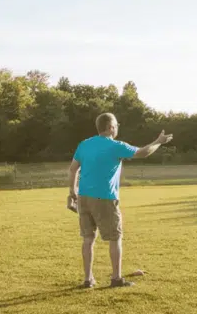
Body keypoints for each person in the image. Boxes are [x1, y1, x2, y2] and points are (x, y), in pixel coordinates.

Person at [67, 113, 172, 288]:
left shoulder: (84, 144)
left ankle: (88, 280)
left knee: (88, 238)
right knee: (115, 237)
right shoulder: (115, 146)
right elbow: (143, 152)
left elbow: (72, 170)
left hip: (83, 197)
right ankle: (116, 279)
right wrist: (159, 141)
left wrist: (73, 191)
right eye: (116, 125)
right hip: (105, 198)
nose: (117, 128)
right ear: (110, 127)